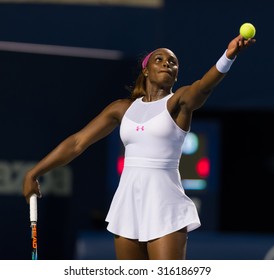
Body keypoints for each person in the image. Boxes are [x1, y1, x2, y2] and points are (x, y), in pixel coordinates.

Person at [23, 34, 255, 260]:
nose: (167, 63)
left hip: (166, 205)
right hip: (128, 204)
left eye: (173, 62)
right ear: (146, 70)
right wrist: (35, 172)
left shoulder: (178, 102)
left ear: (176, 76)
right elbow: (77, 143)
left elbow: (203, 87)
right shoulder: (121, 109)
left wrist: (228, 56)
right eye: (160, 59)